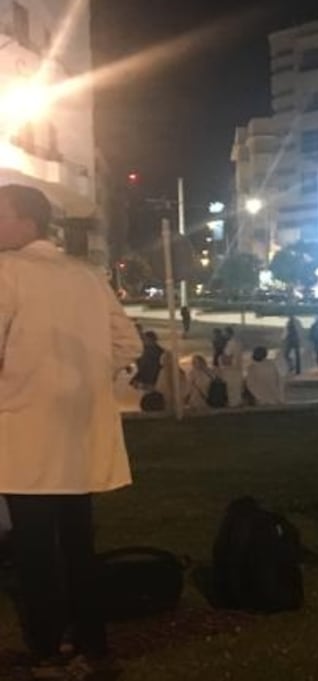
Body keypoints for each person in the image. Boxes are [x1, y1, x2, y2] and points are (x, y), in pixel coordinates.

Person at [0, 184, 143, 677]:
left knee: (36, 551)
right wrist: (84, 381)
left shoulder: (7, 271)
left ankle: (46, 650)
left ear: (26, 223)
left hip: (23, 434)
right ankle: (93, 644)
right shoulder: (85, 275)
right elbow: (128, 343)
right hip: (81, 432)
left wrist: (20, 384)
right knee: (80, 545)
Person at [218, 326, 245, 408]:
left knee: (231, 390)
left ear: (228, 334)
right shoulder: (239, 343)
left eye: (225, 334)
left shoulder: (230, 344)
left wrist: (220, 358)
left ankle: (233, 405)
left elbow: (227, 357)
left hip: (230, 370)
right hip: (238, 369)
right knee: (237, 390)